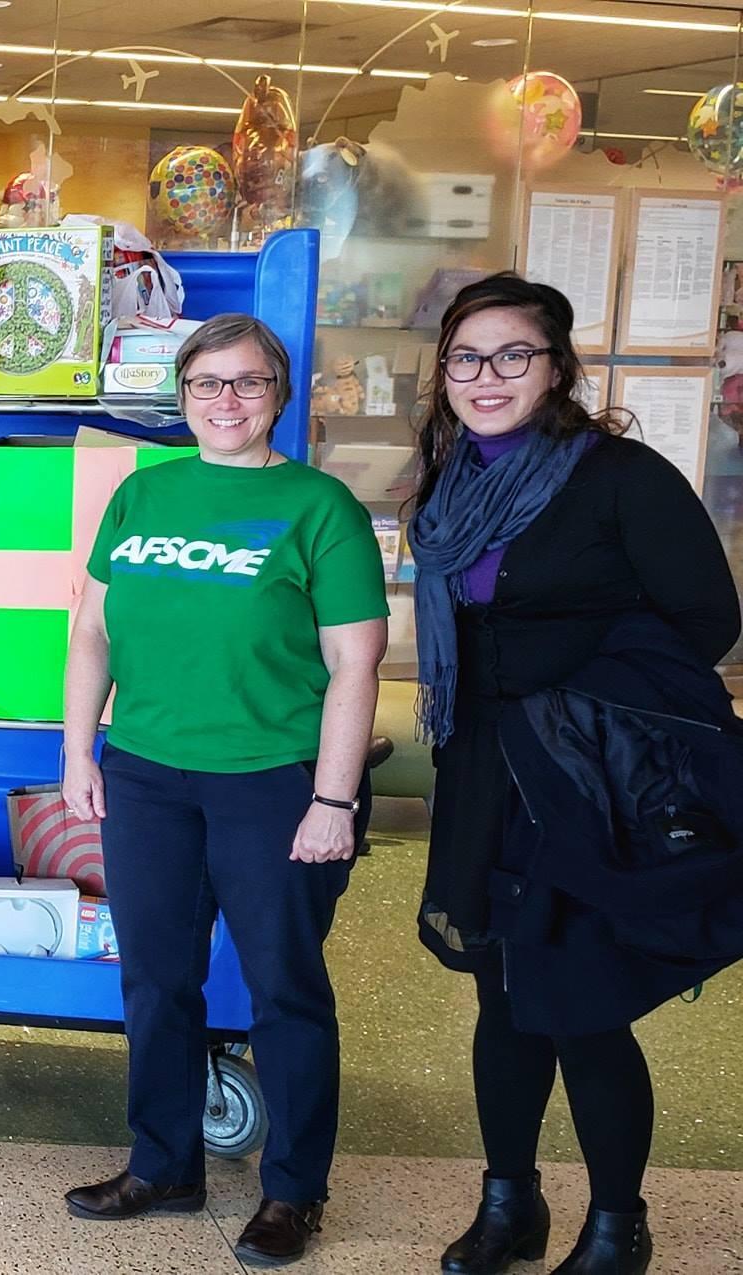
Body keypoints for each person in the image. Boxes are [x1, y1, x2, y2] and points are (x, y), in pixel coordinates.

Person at [408, 273, 741, 1275]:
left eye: (513, 354)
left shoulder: (617, 477)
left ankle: (615, 1226)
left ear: (555, 368)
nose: (485, 376)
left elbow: (707, 622)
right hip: (481, 768)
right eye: (465, 357)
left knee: (580, 999)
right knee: (501, 997)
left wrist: (575, 696)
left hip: (580, 777)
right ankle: (510, 1205)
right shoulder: (451, 479)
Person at [58, 313, 389, 1266]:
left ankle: (293, 1190)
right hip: (148, 774)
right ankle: (164, 1162)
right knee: (156, 980)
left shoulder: (320, 507)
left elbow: (354, 664)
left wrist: (332, 801)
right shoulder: (143, 494)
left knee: (286, 989)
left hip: (273, 782)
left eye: (246, 383)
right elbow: (93, 632)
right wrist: (80, 751)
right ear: (184, 396)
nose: (226, 401)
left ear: (278, 393)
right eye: (207, 384)